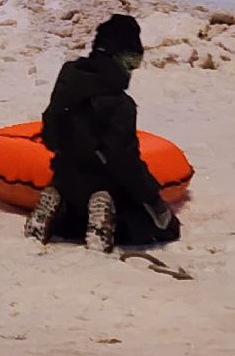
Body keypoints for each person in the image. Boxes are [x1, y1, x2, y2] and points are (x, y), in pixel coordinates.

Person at [26, 14, 180, 252]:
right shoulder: (119, 103)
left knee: (73, 222)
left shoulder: (68, 80)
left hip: (65, 176)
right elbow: (124, 161)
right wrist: (152, 197)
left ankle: (61, 205)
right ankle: (103, 211)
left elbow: (51, 132)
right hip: (105, 185)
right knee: (162, 228)